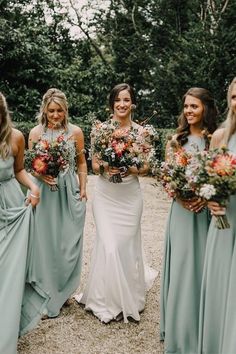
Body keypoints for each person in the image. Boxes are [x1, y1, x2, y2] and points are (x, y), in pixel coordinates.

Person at [75, 83, 155, 323]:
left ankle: (128, 296)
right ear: (112, 103)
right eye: (118, 100)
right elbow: (95, 166)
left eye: (127, 100)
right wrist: (106, 167)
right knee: (109, 244)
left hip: (129, 196)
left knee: (125, 246)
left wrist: (127, 166)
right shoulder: (100, 130)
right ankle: (104, 299)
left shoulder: (142, 132)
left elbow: (145, 168)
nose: (122, 104)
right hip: (106, 195)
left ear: (132, 104)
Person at [160, 87, 218, 353]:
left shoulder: (215, 139)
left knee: (204, 268)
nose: (189, 111)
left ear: (206, 108)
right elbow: (167, 177)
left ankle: (202, 328)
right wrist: (181, 197)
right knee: (183, 267)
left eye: (194, 106)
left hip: (206, 213)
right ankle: (180, 331)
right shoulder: (176, 141)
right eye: (186, 106)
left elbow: (222, 175)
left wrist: (206, 198)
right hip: (182, 213)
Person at [24, 88, 87, 319]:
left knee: (66, 243)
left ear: (66, 110)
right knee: (43, 242)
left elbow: (81, 163)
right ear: (44, 110)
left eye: (60, 110)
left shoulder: (76, 132)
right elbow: (30, 164)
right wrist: (40, 176)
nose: (55, 114)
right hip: (44, 194)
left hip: (67, 191)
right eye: (51, 110)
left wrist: (83, 189)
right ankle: (43, 293)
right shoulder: (35, 133)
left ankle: (62, 290)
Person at [0, 92, 47, 354]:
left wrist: (33, 187)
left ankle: (5, 330)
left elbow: (18, 170)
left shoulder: (16, 137)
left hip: (9, 208)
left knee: (7, 271)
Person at [198, 77, 236, 354]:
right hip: (225, 220)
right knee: (222, 284)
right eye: (234, 97)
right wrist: (211, 199)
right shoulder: (221, 137)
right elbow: (208, 179)